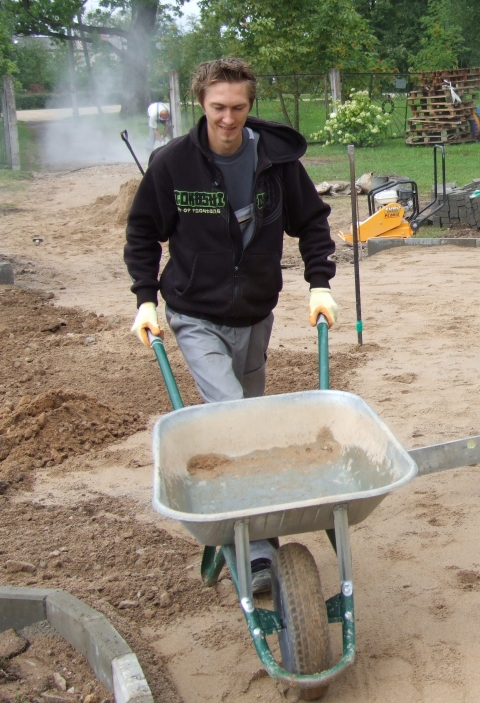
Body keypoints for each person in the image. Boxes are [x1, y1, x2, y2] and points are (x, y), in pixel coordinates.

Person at [124, 58, 340, 589]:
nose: (228, 118)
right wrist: (145, 299)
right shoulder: (173, 163)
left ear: (250, 105)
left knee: (253, 421)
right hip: (195, 313)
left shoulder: (276, 160)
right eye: (218, 107)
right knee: (233, 420)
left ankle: (247, 519)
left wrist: (319, 283)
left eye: (238, 107)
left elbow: (311, 220)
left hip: (255, 316)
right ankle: (259, 550)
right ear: (200, 104)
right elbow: (143, 233)